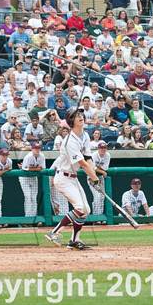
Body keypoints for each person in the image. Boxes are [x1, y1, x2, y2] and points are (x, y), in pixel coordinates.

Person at [45, 107, 100, 250]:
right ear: (71, 121)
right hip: (63, 177)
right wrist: (94, 178)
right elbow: (82, 163)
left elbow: (88, 158)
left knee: (85, 210)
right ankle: (54, 232)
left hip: (73, 178)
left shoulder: (85, 135)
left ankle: (74, 241)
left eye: (81, 114)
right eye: (76, 116)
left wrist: (93, 173)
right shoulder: (69, 141)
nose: (81, 117)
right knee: (80, 207)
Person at [18, 143, 45, 218]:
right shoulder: (28, 156)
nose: (37, 150)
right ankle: (28, 218)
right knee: (28, 197)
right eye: (35, 148)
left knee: (33, 197)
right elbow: (26, 169)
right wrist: (36, 169)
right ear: (32, 149)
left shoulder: (42, 156)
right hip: (24, 178)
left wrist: (34, 169)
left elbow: (42, 168)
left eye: (38, 148)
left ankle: (34, 217)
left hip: (33, 178)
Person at [88, 142, 111, 215]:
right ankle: (96, 216)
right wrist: (101, 171)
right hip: (91, 177)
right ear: (98, 148)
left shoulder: (107, 155)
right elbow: (92, 167)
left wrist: (99, 169)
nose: (103, 149)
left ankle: (99, 216)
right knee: (97, 196)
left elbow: (105, 168)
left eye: (104, 148)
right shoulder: (94, 155)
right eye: (101, 148)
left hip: (100, 177)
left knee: (102, 196)